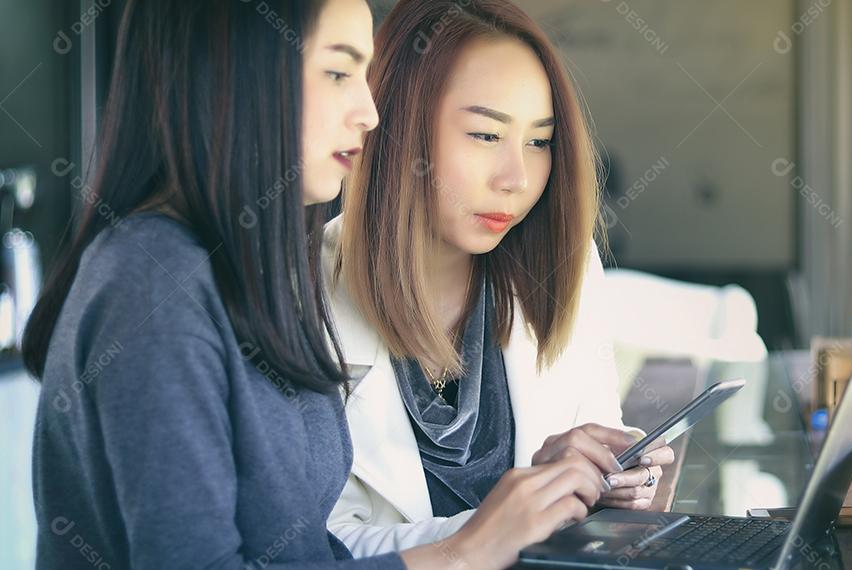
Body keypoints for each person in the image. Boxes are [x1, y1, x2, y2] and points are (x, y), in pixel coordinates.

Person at [25, 1, 604, 568]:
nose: (371, 113)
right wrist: (470, 548)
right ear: (240, 70)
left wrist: (556, 499)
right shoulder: (155, 282)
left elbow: (308, 555)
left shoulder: (250, 274)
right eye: (338, 71)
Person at [325, 0, 674, 557]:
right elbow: (311, 548)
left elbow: (596, 466)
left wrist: (624, 487)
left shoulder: (565, 263)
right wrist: (496, 529)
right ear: (394, 125)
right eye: (486, 135)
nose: (517, 179)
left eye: (538, 141)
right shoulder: (303, 293)